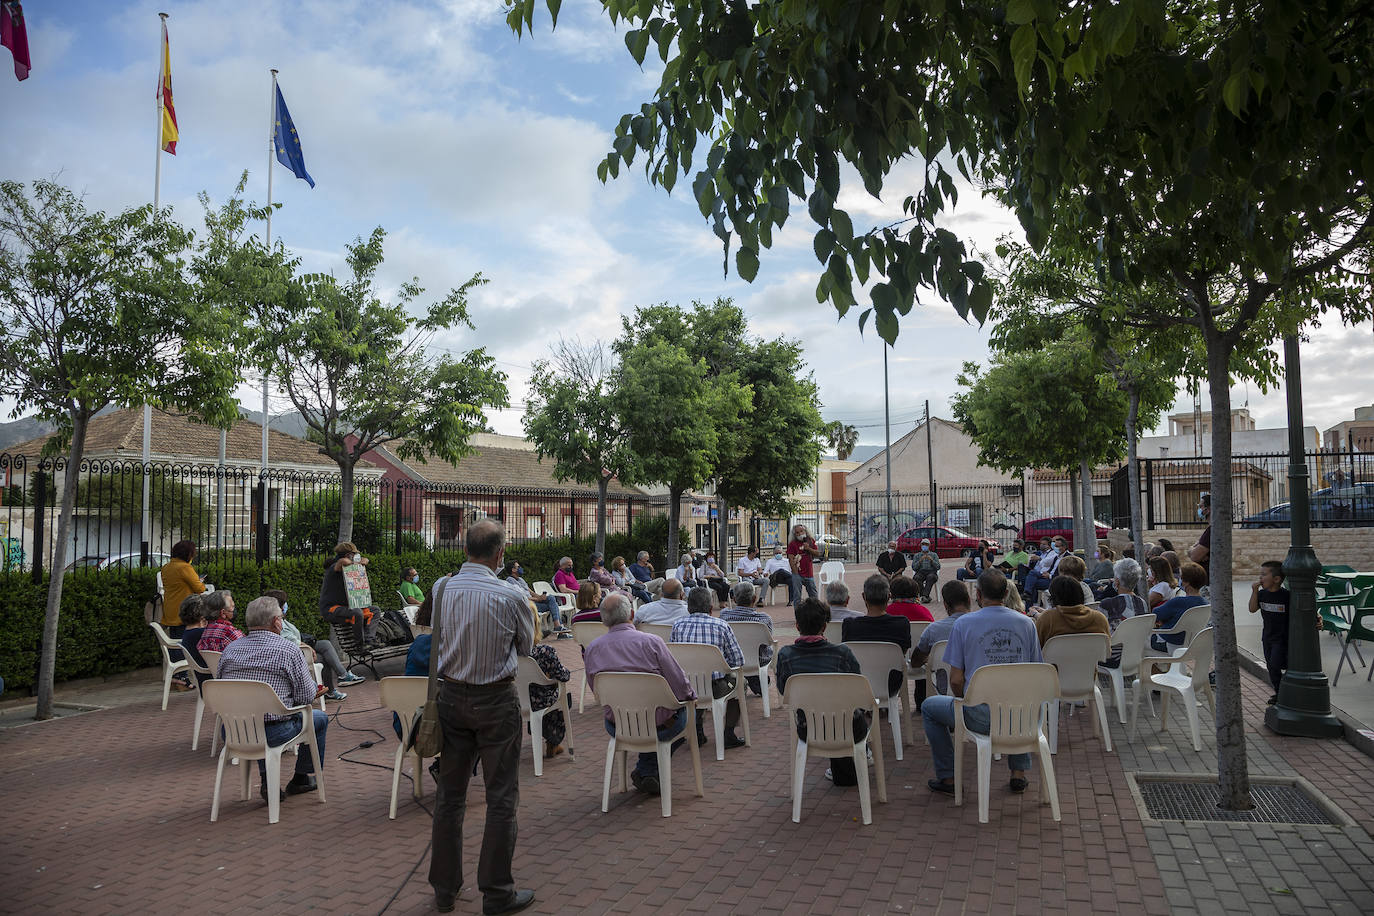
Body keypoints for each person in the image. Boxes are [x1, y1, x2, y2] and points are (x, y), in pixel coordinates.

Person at [428, 519, 536, 916]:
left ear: (464, 549)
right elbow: (527, 645)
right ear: (500, 554)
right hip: (495, 700)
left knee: (450, 797)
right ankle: (496, 892)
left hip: (451, 696)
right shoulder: (509, 596)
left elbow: (433, 632)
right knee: (501, 797)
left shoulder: (442, 588)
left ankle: (444, 888)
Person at [922, 569, 1043, 797]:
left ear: (977, 594)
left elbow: (956, 680)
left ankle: (948, 777)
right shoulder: (1027, 624)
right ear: (1006, 592)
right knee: (1018, 697)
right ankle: (1018, 773)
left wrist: (964, 701)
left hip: (980, 716)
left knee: (929, 708)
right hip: (1022, 717)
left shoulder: (964, 624)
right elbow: (1035, 674)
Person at [216, 596, 329, 803]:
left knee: (256, 716)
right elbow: (305, 697)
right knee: (319, 718)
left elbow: (220, 687)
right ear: (277, 621)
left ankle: (268, 780)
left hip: (233, 731)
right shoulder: (288, 649)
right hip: (274, 732)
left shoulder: (230, 650)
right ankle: (301, 778)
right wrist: (313, 689)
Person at [583, 592, 696, 796]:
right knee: (688, 717)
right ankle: (647, 769)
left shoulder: (592, 649)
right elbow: (678, 682)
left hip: (617, 724)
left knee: (660, 717)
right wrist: (690, 697)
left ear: (603, 619)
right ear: (632, 614)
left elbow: (597, 690)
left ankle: (648, 769)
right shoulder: (652, 642)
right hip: (659, 725)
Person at [775, 597, 870, 786]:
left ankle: (845, 771)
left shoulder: (786, 655)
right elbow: (858, 690)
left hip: (808, 728)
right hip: (848, 726)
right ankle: (857, 758)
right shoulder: (842, 653)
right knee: (847, 711)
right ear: (824, 627)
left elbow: (783, 690)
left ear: (797, 626)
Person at [670, 586, 747, 750]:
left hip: (687, 687)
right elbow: (739, 660)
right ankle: (728, 733)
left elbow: (674, 659)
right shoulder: (722, 625)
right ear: (711, 608)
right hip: (715, 688)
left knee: (695, 679)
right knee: (741, 683)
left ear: (689, 608)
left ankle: (697, 729)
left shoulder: (677, 626)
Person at [262, 588, 362, 699]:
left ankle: (341, 678)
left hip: (300, 650)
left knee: (325, 645)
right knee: (324, 658)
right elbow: (291, 642)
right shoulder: (277, 623)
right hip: (296, 656)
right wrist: (308, 648)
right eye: (284, 603)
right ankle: (336, 684)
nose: (286, 605)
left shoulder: (280, 620)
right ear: (280, 606)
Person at [842, 574, 912, 696]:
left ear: (864, 597)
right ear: (889, 596)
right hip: (891, 683)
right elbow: (902, 652)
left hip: (860, 682)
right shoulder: (902, 623)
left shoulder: (850, 624)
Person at [912, 580, 973, 694]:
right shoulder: (983, 626)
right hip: (979, 694)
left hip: (946, 693)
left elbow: (915, 662)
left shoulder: (933, 629)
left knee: (927, 706)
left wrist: (932, 659)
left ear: (945, 605)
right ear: (969, 600)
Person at [159, 539, 205, 690]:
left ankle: (176, 678)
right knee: (184, 644)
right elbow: (199, 588)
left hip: (170, 610)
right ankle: (182, 678)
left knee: (175, 642)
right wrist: (200, 581)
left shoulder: (166, 567)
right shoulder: (185, 568)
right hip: (185, 610)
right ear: (188, 554)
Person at [527, 611, 573, 758]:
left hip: (518, 700)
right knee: (564, 698)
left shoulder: (508, 652)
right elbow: (563, 676)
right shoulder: (545, 651)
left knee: (542, 695)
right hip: (542, 701)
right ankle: (553, 740)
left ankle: (545, 736)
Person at [318, 542, 380, 646]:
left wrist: (362, 561)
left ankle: (370, 639)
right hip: (331, 609)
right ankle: (360, 645)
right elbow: (342, 561)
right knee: (357, 613)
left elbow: (366, 560)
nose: (356, 556)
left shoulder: (350, 566)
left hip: (346, 607)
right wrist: (356, 562)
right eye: (354, 554)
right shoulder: (333, 567)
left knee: (375, 610)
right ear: (348, 554)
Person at [720, 581, 775, 695]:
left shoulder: (724, 616)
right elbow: (768, 642)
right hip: (758, 661)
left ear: (734, 599)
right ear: (754, 598)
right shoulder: (764, 619)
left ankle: (745, 679)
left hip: (733, 661)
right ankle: (754, 678)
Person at [1249, 560, 1291, 704]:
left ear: (1277, 579)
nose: (1260, 578)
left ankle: (1285, 691)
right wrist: (1255, 592)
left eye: (1264, 575)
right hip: (1267, 637)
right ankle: (1279, 692)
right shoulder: (1262, 594)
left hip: (1282, 637)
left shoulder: (1286, 596)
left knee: (1276, 663)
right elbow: (1252, 608)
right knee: (1271, 667)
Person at [1033, 576, 1110, 646]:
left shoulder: (1047, 619)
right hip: (1090, 660)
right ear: (1081, 595)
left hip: (1053, 661)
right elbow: (1107, 651)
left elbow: (1036, 650)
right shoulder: (1099, 619)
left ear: (1053, 598)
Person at [1150, 561, 1209, 652]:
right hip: (1190, 644)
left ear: (1186, 582)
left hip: (1169, 642)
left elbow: (1155, 613)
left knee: (1140, 640)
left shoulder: (1178, 601)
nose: (1179, 579)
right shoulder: (1205, 603)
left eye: (1181, 577)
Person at [1099, 558, 1147, 668]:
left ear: (1117, 581)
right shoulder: (1142, 603)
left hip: (1113, 658)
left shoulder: (1107, 604)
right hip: (1136, 654)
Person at [501, 560, 567, 635]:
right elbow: (521, 597)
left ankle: (557, 625)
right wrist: (538, 599)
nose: (521, 568)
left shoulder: (520, 579)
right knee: (552, 605)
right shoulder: (510, 581)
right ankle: (559, 627)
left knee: (551, 598)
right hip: (527, 605)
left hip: (534, 602)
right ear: (513, 570)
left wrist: (540, 597)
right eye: (518, 567)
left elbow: (531, 592)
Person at [786, 525, 822, 606]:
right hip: (797, 574)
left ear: (805, 531)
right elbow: (791, 559)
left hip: (809, 574)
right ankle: (798, 615)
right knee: (797, 596)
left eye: (801, 531)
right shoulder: (792, 544)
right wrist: (796, 573)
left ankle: (816, 613)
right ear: (794, 535)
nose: (800, 534)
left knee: (813, 595)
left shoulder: (810, 541)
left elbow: (818, 553)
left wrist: (808, 548)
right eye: (797, 533)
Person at [1023, 536, 1065, 604]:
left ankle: (1030, 602)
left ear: (1063, 547)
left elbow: (1045, 563)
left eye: (1057, 546)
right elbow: (1051, 567)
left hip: (1053, 579)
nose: (1055, 547)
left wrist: (1049, 575)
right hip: (1044, 574)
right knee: (1031, 577)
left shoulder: (1059, 555)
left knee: (1031, 581)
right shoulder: (1057, 556)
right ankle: (1029, 602)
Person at [179, 596, 210, 687]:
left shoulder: (188, 633)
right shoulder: (201, 634)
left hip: (203, 682)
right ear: (202, 615)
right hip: (212, 681)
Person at [1187, 493, 1212, 581]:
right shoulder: (1210, 530)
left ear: (1207, 509)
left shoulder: (1211, 531)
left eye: (1200, 506)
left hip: (1209, 580)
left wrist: (1192, 548)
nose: (1199, 509)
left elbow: (1195, 556)